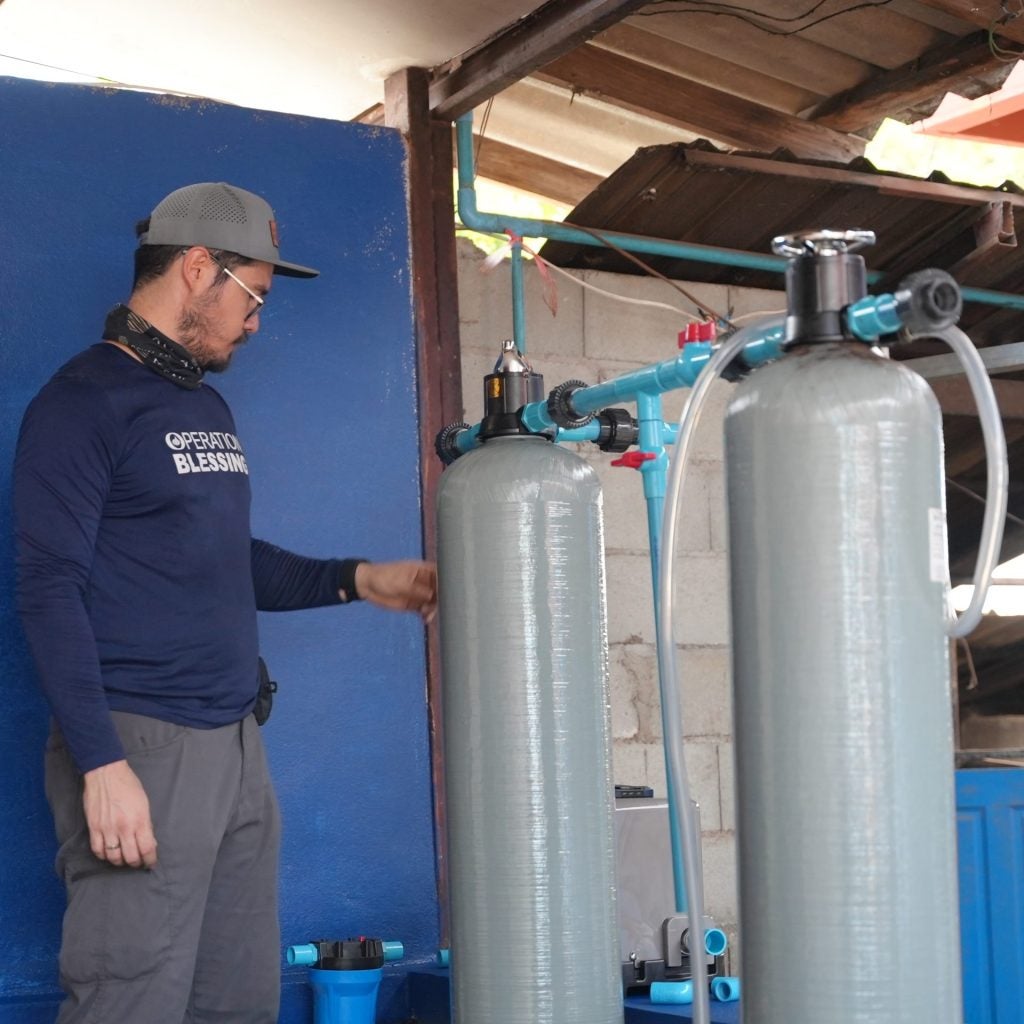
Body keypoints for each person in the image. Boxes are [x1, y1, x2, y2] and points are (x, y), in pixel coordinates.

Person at [13, 181, 437, 1023]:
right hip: (140, 744)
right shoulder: (82, 402)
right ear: (196, 268)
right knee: (126, 1000)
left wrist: (360, 579)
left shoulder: (202, 404)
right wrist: (102, 766)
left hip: (236, 744)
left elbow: (219, 560)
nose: (255, 321)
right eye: (252, 295)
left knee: (237, 1001)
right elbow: (45, 585)